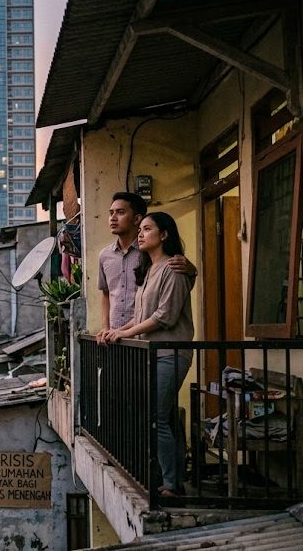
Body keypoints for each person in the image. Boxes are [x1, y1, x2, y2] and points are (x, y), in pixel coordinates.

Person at [104, 212, 194, 497]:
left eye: (147, 229)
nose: (140, 234)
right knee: (165, 417)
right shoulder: (149, 269)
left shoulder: (174, 269)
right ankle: (175, 477)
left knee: (157, 417)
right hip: (153, 354)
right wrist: (115, 330)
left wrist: (125, 334)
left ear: (164, 234)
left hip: (169, 353)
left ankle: (170, 484)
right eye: (140, 229)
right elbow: (140, 315)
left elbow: (164, 317)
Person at [95, 192, 194, 344]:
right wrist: (107, 328)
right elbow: (106, 293)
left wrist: (193, 271)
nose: (113, 218)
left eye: (120, 212)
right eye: (111, 213)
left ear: (136, 218)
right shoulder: (106, 256)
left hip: (149, 340)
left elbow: (167, 310)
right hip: (118, 337)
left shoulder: (153, 258)